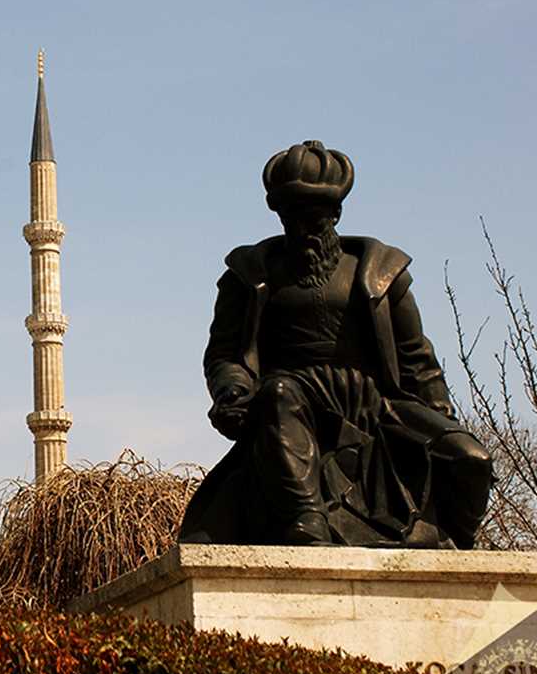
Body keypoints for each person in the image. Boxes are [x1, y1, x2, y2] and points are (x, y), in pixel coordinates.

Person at [179, 141, 492, 548]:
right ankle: (306, 522)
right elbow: (225, 353)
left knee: (471, 460)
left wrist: (439, 419)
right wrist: (233, 390)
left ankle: (456, 554)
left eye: (315, 216)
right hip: (291, 397)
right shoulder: (249, 275)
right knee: (276, 393)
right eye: (293, 216)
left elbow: (416, 357)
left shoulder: (379, 273)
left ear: (336, 214)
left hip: (375, 403)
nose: (305, 229)